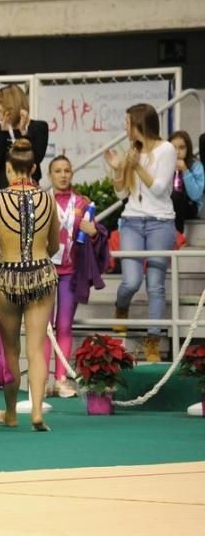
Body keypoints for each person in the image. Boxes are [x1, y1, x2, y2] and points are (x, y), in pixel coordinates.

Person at [0, 139, 60, 431]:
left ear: (9, 168)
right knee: (36, 348)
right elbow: (54, 245)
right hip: (41, 274)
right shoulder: (48, 199)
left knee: (11, 349)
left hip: (7, 276)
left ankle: (11, 412)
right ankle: (37, 410)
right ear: (34, 167)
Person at [104, 104, 177, 363]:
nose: (125, 128)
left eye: (127, 123)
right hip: (132, 222)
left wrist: (136, 167)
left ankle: (153, 342)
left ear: (139, 124)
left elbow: (158, 189)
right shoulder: (131, 152)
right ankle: (121, 307)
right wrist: (117, 169)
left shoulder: (166, 149)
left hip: (160, 222)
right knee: (131, 282)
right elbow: (122, 194)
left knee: (155, 286)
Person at [44, 155, 100, 398]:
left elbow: (96, 238)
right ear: (50, 175)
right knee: (44, 328)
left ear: (72, 174)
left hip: (70, 273)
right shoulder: (42, 201)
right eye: (58, 170)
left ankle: (61, 379)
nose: (63, 175)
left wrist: (93, 231)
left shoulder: (83, 202)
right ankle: (42, 378)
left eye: (67, 170)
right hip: (45, 272)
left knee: (64, 326)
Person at [0, 84, 49, 190]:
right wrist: (3, 133)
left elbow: (35, 159)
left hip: (30, 193)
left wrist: (23, 133)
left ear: (11, 105)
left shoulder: (38, 127)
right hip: (3, 193)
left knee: (28, 207)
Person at [168, 130, 204, 232]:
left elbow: (195, 195)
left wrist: (185, 170)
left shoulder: (196, 166)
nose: (177, 152)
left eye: (182, 147)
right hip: (168, 205)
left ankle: (178, 234)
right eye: (173, 147)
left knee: (176, 196)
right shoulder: (165, 164)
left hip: (190, 205)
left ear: (188, 149)